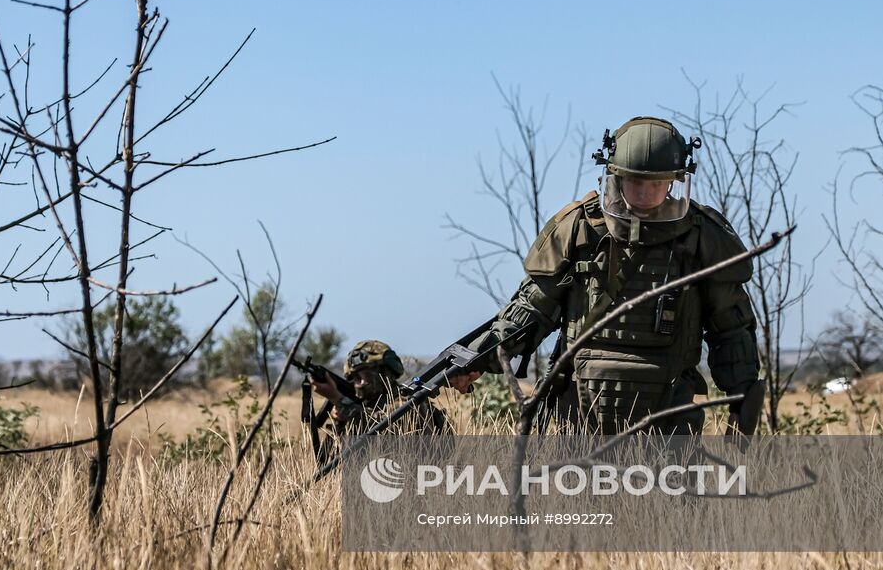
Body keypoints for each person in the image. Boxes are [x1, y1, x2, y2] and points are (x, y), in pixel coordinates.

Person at [456, 116, 761, 434]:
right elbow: (532, 308)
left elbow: (732, 329)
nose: (645, 194)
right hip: (578, 413)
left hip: (669, 416)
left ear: (674, 181)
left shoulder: (702, 238)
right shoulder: (581, 229)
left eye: (656, 183)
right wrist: (480, 359)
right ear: (615, 176)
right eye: (635, 182)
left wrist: (741, 402)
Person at [307, 340, 448, 462]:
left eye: (363, 376)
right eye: (354, 379)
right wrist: (339, 423)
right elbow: (329, 463)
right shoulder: (362, 410)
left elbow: (380, 429)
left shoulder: (409, 404)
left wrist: (339, 399)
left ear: (385, 374)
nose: (358, 384)